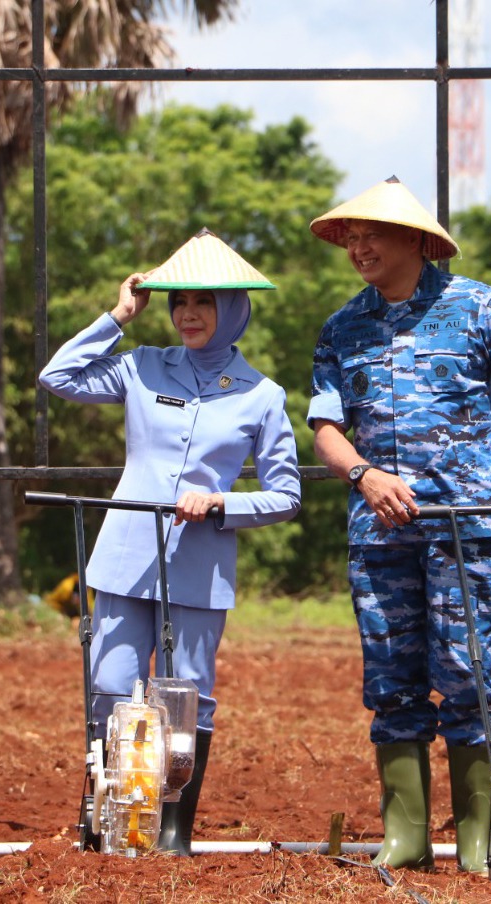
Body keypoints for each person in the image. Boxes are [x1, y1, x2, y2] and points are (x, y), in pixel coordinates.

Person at [306, 177, 491, 875]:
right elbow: (326, 431)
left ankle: (477, 839)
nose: (359, 248)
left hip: (466, 526)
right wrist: (363, 475)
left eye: (373, 235)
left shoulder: (476, 306)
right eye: (351, 238)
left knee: (464, 673)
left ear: (416, 242)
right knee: (391, 679)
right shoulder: (342, 327)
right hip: (380, 533)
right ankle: (406, 838)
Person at [39, 227, 301, 855]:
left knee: (186, 694)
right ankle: (103, 814)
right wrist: (119, 315)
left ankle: (175, 827)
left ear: (233, 309)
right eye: (179, 300)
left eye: (204, 302)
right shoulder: (140, 364)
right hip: (125, 556)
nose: (188, 313)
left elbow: (286, 494)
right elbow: (58, 376)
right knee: (110, 681)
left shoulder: (263, 396)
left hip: (200, 564)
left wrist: (222, 502)